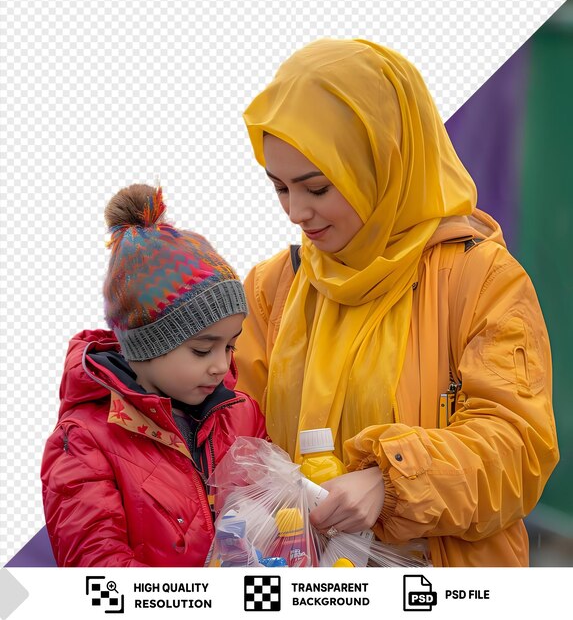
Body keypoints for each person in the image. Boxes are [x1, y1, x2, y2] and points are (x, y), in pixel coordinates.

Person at [235, 38, 559, 566]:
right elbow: (228, 434)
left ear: (383, 163)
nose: (296, 212)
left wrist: (392, 481)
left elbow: (517, 450)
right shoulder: (275, 288)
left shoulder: (482, 280)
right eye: (280, 188)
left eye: (317, 188)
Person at [41, 183, 267, 567]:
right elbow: (97, 569)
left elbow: (276, 516)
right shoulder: (83, 442)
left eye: (230, 345)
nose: (220, 364)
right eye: (201, 349)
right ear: (145, 346)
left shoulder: (242, 414)